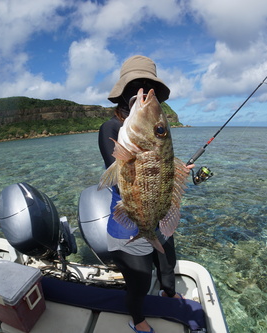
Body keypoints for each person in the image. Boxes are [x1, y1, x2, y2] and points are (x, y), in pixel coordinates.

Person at [98, 55, 188, 333]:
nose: (143, 90)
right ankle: (137, 320)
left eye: (149, 85)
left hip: (157, 211)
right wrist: (141, 156)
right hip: (130, 220)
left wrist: (181, 171)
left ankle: (167, 294)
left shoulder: (149, 130)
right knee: (138, 281)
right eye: (135, 85)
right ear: (122, 93)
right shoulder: (111, 129)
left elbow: (159, 160)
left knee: (166, 265)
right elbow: (117, 175)